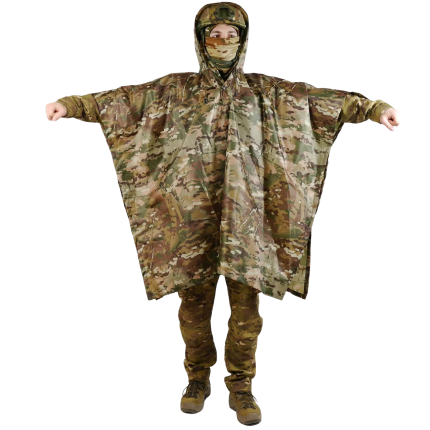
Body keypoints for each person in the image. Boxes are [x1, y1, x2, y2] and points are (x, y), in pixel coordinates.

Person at [45, 2, 400, 426]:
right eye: (214, 35)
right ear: (201, 39)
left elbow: (323, 101)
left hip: (248, 225)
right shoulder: (174, 90)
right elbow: (120, 102)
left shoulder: (267, 92)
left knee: (246, 313)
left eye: (231, 36)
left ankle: (242, 385)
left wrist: (375, 109)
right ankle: (197, 379)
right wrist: (70, 105)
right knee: (193, 312)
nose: (223, 43)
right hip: (189, 225)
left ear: (243, 40)